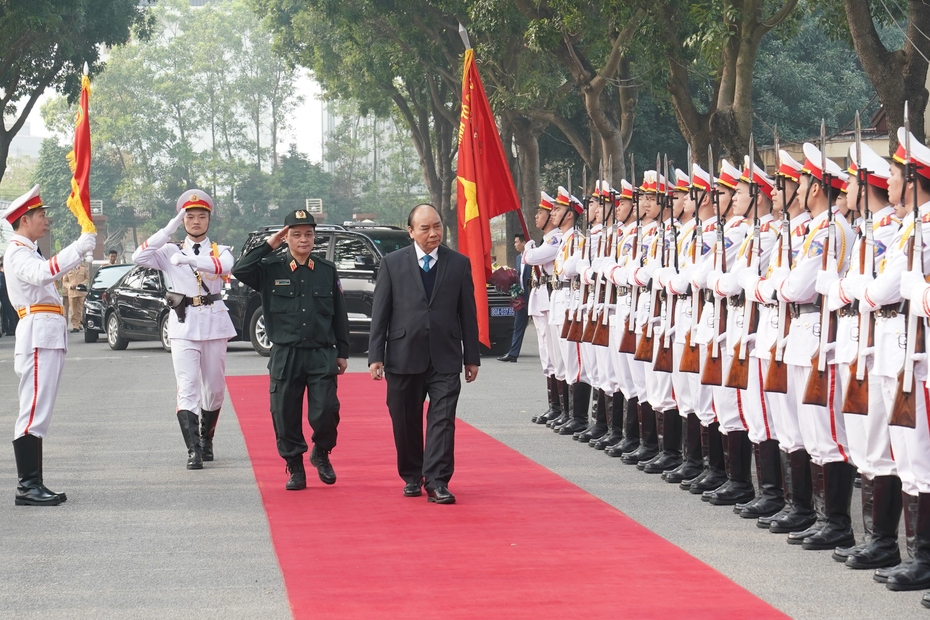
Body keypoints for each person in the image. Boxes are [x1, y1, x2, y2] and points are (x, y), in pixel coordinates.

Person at [368, 203, 480, 504]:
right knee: (405, 420)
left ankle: (437, 480)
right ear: (411, 232)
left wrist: (471, 357)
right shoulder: (392, 263)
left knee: (443, 419)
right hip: (403, 355)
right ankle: (411, 475)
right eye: (425, 228)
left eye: (438, 226)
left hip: (445, 355)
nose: (434, 233)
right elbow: (381, 312)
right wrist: (375, 355)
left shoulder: (458, 264)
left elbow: (467, 313)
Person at [232, 210, 349, 490]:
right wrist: (269, 244)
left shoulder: (326, 269)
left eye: (308, 233)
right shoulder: (270, 269)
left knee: (327, 411)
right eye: (296, 234)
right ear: (286, 238)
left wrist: (342, 351)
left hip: (321, 353)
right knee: (284, 413)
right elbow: (239, 269)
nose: (303, 239)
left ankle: (321, 451)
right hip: (286, 354)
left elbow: (339, 314)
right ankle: (295, 465)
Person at [2, 184, 96, 505]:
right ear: (24, 220)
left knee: (40, 410)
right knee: (33, 410)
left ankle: (33, 483)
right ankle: (27, 486)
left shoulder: (28, 249)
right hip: (37, 334)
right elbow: (42, 275)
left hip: (46, 332)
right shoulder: (16, 251)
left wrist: (79, 252)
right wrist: (77, 247)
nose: (46, 221)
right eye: (41, 216)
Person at [133, 190, 237, 470]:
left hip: (214, 324)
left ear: (209, 219)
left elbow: (223, 267)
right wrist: (168, 230)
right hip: (183, 325)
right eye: (189, 217)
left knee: (214, 389)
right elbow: (138, 256)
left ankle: (206, 439)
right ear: (183, 219)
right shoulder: (168, 251)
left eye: (201, 216)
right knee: (187, 387)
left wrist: (191, 261)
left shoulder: (220, 250)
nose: (196, 221)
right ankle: (193, 450)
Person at [498, 233, 530, 362]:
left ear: (523, 243)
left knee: (542, 328)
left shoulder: (533, 257)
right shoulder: (518, 258)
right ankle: (513, 354)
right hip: (521, 297)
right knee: (518, 325)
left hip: (534, 296)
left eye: (517, 242)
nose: (515, 244)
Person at [61, 261, 89, 332]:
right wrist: (70, 285)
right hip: (72, 292)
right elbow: (65, 281)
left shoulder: (83, 268)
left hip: (81, 292)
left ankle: (79, 323)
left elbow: (87, 279)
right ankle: (75, 326)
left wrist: (81, 284)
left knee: (80, 309)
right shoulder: (68, 269)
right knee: (73, 311)